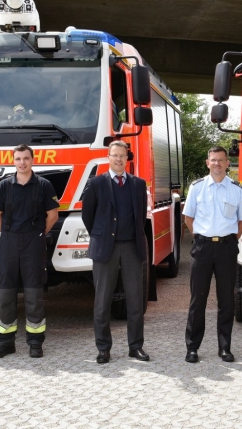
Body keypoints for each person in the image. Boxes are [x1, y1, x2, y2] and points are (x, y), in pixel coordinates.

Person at [81, 141, 151, 364]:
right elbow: (88, 217)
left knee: (135, 301)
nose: (118, 159)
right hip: (105, 249)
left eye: (122, 156)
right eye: (114, 155)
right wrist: (101, 236)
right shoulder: (95, 184)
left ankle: (135, 346)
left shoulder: (138, 184)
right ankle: (103, 348)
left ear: (127, 158)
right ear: (108, 157)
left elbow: (140, 217)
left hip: (132, 247)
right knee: (102, 302)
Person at [0, 144, 59, 359]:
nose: (22, 162)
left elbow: (53, 216)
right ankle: (5, 342)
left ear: (32, 160)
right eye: (18, 159)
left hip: (34, 242)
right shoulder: (3, 186)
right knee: (6, 293)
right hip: (9, 241)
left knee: (33, 293)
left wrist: (37, 234)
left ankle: (35, 342)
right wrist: (10, 234)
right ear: (13, 161)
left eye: (26, 158)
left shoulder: (45, 186)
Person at [182, 146, 242, 363]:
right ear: (207, 162)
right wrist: (202, 237)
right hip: (202, 248)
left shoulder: (236, 189)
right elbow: (188, 218)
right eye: (213, 160)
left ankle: (225, 348)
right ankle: (192, 348)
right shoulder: (197, 188)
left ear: (227, 163)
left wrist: (230, 240)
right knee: (197, 300)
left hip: (226, 248)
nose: (217, 164)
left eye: (221, 160)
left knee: (226, 300)